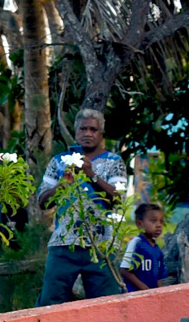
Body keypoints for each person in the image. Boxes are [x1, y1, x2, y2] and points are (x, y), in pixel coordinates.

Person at [35, 109, 129, 306]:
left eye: (93, 129)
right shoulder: (59, 161)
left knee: (106, 305)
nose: (88, 133)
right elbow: (42, 201)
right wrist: (61, 186)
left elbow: (119, 199)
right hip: (63, 244)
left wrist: (91, 175)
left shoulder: (114, 162)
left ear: (101, 133)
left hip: (101, 246)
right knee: (50, 304)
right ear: (76, 132)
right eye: (83, 129)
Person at [120, 202, 166, 291]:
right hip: (134, 294)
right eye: (153, 221)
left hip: (151, 295)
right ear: (140, 224)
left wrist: (160, 293)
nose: (159, 225)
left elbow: (159, 277)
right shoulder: (136, 244)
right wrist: (144, 288)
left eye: (161, 221)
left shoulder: (157, 250)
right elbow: (124, 270)